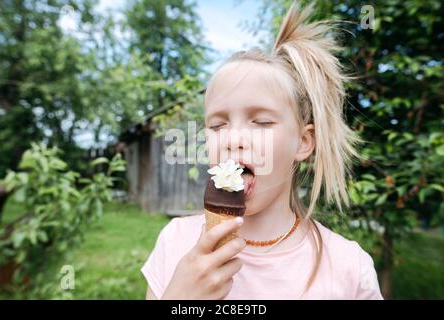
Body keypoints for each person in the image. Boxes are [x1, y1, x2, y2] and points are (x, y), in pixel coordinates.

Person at [141, 2, 383, 300]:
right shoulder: (175, 242)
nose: (233, 138)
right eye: (218, 125)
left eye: (261, 121)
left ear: (303, 142)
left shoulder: (349, 269)